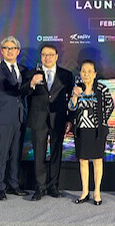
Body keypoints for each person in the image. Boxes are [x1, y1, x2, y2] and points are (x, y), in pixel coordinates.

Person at [20, 44, 74, 201]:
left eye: (50, 54)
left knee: (56, 154)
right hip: (38, 119)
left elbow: (72, 99)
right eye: (44, 54)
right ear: (40, 57)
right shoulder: (32, 74)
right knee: (39, 154)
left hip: (58, 119)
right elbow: (22, 92)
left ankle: (53, 186)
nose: (47, 57)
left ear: (57, 56)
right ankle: (40, 187)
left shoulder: (66, 75)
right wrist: (31, 84)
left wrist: (70, 119)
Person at [0, 36, 29, 200]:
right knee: (1, 154)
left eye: (13, 48)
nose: (10, 51)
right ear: (2, 51)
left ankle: (13, 185)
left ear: (18, 51)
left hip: (19, 117)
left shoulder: (23, 69)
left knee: (16, 153)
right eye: (6, 48)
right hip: (3, 117)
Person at [69, 60, 114, 206]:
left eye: (89, 71)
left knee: (97, 160)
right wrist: (74, 97)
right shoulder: (77, 89)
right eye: (83, 71)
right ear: (80, 73)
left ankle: (97, 192)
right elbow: (71, 108)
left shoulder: (102, 89)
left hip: (97, 131)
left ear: (95, 73)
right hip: (81, 130)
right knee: (83, 161)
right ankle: (84, 191)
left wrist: (101, 121)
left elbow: (110, 105)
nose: (86, 74)